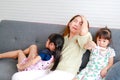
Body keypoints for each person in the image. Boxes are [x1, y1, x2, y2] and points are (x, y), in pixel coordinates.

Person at [12, 15, 92, 80]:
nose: (76, 24)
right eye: (75, 21)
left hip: (66, 72)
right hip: (51, 69)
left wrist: (83, 17)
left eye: (81, 23)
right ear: (69, 23)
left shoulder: (83, 38)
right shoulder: (62, 39)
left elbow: (84, 32)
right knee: (17, 76)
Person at [0, 33, 64, 72]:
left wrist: (21, 67)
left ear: (52, 44)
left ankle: (4, 55)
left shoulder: (45, 52)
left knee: (19, 52)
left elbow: (33, 62)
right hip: (34, 69)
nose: (46, 41)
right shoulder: (54, 55)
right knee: (33, 46)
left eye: (48, 40)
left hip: (26, 70)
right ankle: (17, 56)